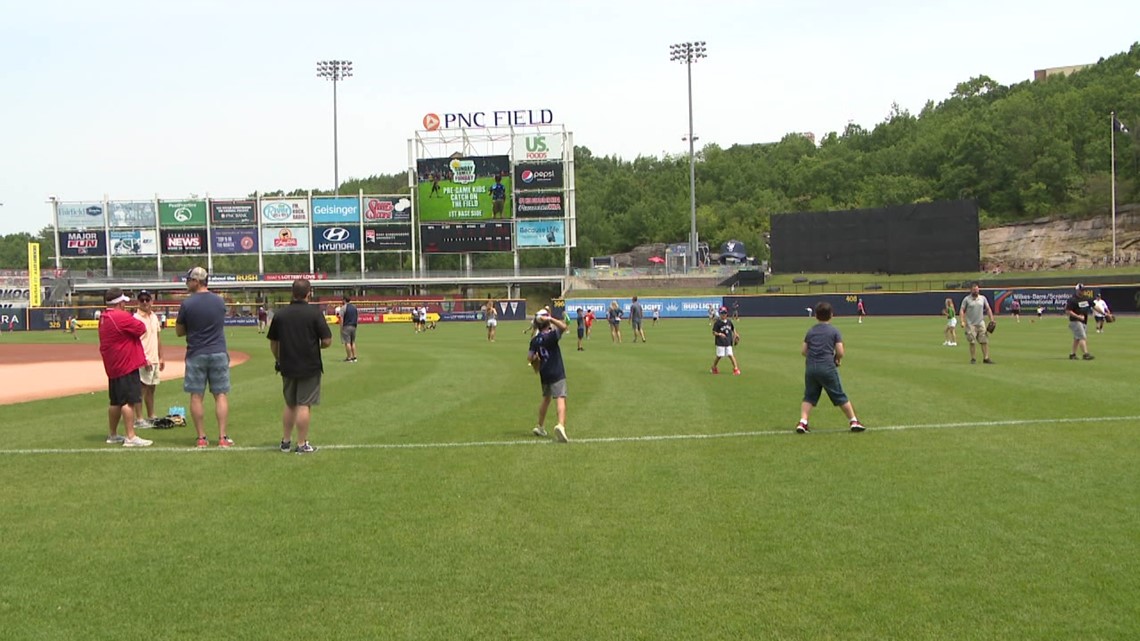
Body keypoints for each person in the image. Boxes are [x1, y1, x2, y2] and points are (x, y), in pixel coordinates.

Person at [268, 278, 333, 454]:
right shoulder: (314, 313)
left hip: (287, 364)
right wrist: (315, 346)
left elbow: (273, 343)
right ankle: (302, 443)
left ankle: (286, 441)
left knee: (290, 404)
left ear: (292, 293)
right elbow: (327, 340)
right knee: (304, 404)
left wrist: (279, 359)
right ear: (308, 293)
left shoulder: (280, 314)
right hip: (309, 365)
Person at [176, 266, 233, 448]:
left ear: (197, 281)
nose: (188, 283)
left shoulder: (187, 304)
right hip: (218, 351)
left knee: (196, 396)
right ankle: (222, 437)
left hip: (196, 352)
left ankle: (201, 437)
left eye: (190, 280)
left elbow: (179, 331)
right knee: (220, 394)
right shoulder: (219, 301)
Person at [795, 301, 864, 434]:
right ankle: (853, 421)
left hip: (811, 368)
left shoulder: (811, 331)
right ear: (831, 315)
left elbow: (804, 351)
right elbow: (840, 351)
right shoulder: (834, 331)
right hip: (827, 367)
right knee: (839, 395)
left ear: (816, 315)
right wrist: (836, 359)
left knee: (809, 396)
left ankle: (803, 422)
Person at [98, 288, 152, 447]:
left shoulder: (104, 317)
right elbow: (141, 328)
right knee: (129, 401)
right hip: (125, 363)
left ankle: (113, 434)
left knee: (115, 401)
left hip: (114, 365)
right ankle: (130, 436)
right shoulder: (120, 316)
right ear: (119, 303)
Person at [527, 309, 570, 443]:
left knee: (546, 399)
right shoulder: (551, 336)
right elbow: (564, 327)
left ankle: (540, 426)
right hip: (556, 371)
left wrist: (535, 359)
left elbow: (530, 357)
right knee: (560, 398)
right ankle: (560, 425)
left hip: (544, 372)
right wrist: (551, 319)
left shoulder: (535, 340)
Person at [132, 290, 164, 429]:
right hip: (143, 359)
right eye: (142, 300)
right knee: (141, 388)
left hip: (154, 358)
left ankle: (151, 415)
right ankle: (139, 418)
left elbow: (157, 338)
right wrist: (143, 359)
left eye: (147, 299)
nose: (145, 302)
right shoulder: (135, 318)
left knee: (151, 388)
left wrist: (161, 357)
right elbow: (134, 342)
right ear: (138, 302)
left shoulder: (154, 317)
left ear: (151, 301)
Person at [959, 282, 995, 365]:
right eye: (974, 290)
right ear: (971, 290)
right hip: (970, 323)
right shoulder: (966, 299)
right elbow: (962, 310)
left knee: (984, 341)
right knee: (972, 341)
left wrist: (992, 319)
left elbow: (988, 308)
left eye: (977, 289)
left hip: (980, 322)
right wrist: (962, 321)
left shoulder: (982, 298)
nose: (975, 291)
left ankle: (986, 358)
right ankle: (973, 358)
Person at [1065, 285, 1095, 360]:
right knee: (1082, 337)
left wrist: (1105, 313)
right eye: (1081, 290)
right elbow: (1068, 311)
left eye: (1083, 290)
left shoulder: (1086, 298)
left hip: (1084, 321)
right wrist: (1078, 317)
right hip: (1075, 321)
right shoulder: (1072, 300)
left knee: (1077, 338)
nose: (1082, 291)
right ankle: (1086, 354)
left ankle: (1072, 354)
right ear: (1077, 290)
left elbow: (1094, 306)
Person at [710, 306, 741, 375]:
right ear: (720, 314)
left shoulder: (729, 322)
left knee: (730, 355)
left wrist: (736, 334)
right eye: (722, 313)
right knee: (719, 356)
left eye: (724, 313)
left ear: (727, 314)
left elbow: (733, 329)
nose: (723, 315)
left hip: (728, 341)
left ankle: (736, 369)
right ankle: (714, 367)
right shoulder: (717, 323)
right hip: (720, 342)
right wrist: (719, 334)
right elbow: (713, 332)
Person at [340, 295, 358, 362]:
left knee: (347, 342)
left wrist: (341, 328)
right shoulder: (354, 307)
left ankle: (349, 357)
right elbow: (356, 317)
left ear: (344, 300)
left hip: (346, 326)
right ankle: (354, 357)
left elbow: (341, 319)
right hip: (353, 326)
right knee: (352, 342)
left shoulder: (343, 308)